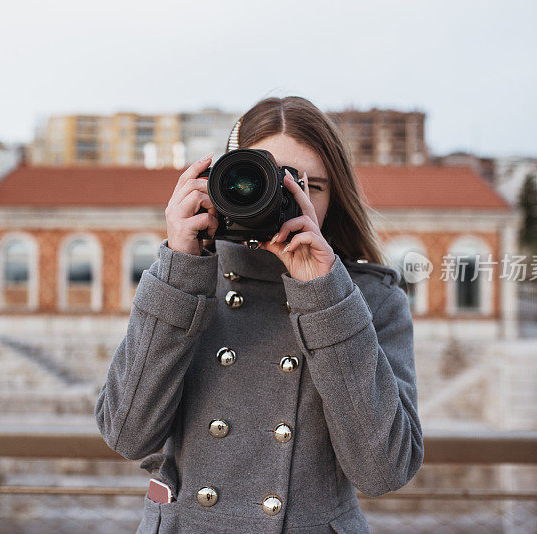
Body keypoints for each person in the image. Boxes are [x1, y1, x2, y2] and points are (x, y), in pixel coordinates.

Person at [95, 96, 424, 533]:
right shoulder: (189, 277)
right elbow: (126, 434)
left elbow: (384, 471)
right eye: (266, 178)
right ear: (225, 180)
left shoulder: (369, 298)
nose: (284, 196)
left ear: (335, 197)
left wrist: (323, 294)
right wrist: (179, 265)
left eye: (309, 186)